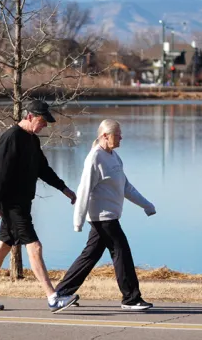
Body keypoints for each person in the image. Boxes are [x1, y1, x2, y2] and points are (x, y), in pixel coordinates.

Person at [0, 100, 79, 313]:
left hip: (23, 203)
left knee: (2, 248)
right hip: (11, 204)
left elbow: (43, 169)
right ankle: (53, 298)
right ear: (29, 116)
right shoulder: (11, 138)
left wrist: (64, 189)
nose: (45, 125)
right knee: (35, 246)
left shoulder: (32, 141)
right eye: (42, 120)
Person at [55, 119, 156, 310]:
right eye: (117, 135)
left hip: (110, 217)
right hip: (102, 218)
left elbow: (126, 187)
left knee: (90, 256)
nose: (121, 138)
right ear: (105, 136)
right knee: (121, 252)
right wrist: (78, 221)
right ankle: (131, 298)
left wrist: (146, 205)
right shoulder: (95, 158)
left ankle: (62, 292)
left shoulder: (114, 157)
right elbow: (84, 189)